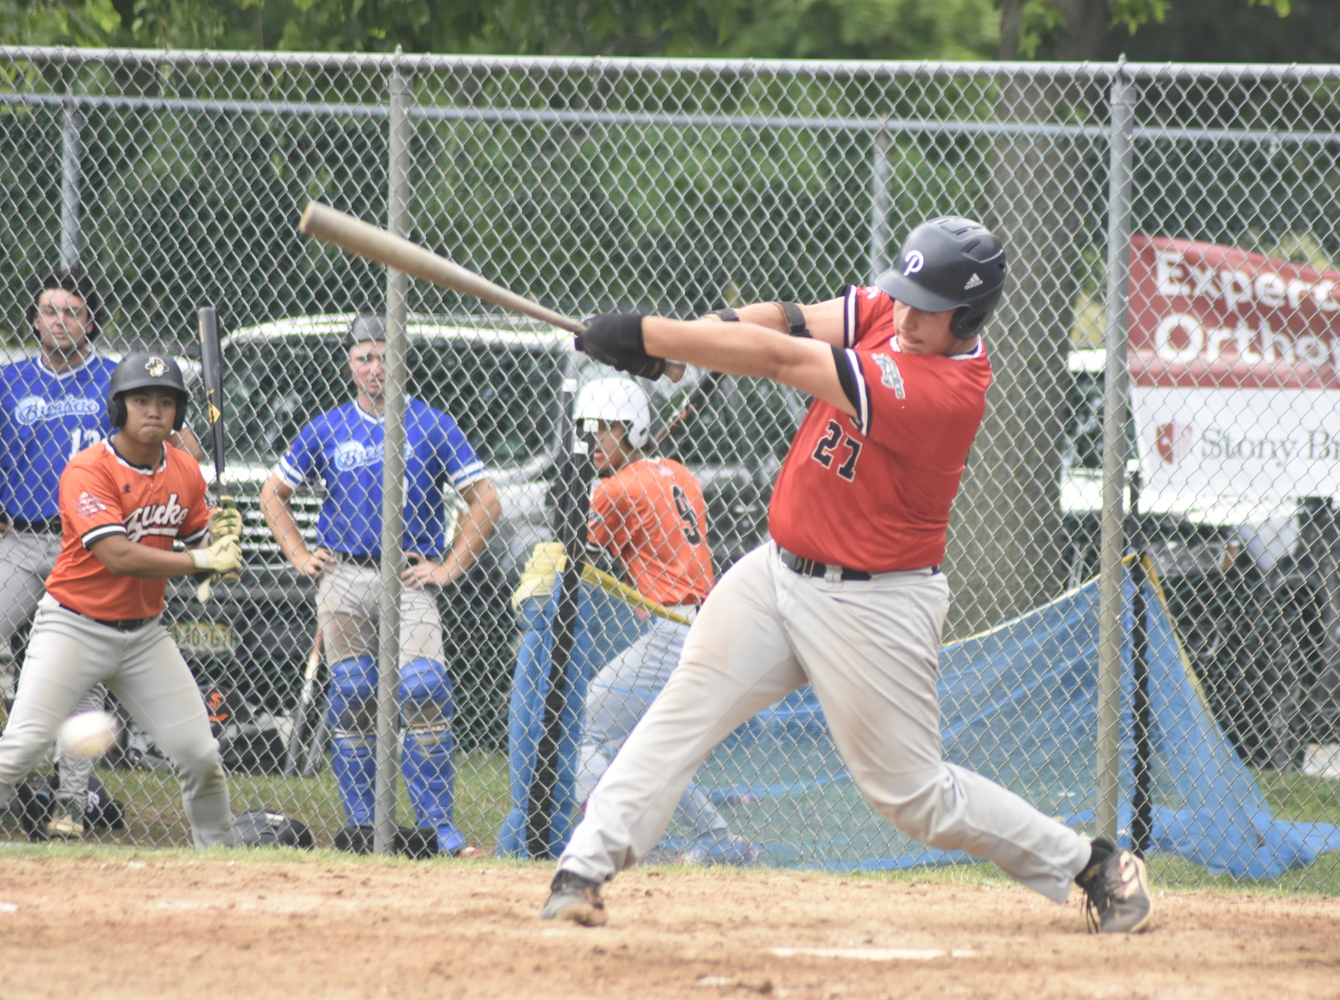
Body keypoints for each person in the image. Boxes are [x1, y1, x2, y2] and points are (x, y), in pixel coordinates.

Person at [541, 217, 1152, 933]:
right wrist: (685, 343)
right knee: (683, 707)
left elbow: (778, 358)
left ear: (970, 316)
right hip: (776, 576)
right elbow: (790, 320)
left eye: (928, 307)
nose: (906, 314)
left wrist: (651, 336)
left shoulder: (944, 392)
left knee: (916, 798)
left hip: (874, 605)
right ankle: (583, 868)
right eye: (904, 295)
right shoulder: (897, 316)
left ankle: (1091, 865)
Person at [260, 313, 503, 857]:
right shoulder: (326, 428)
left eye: (384, 355)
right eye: (364, 357)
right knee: (353, 696)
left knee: (422, 689)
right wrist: (299, 554)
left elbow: (486, 500)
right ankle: (366, 828)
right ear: (349, 363)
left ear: (402, 360)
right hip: (343, 576)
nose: (375, 367)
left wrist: (449, 567)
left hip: (407, 576)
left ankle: (439, 828)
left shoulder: (432, 424)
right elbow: (272, 494)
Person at [0, 352, 243, 847]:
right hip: (73, 627)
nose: (154, 410)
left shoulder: (187, 472)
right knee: (20, 751)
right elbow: (118, 555)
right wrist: (201, 561)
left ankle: (223, 861)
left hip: (143, 637)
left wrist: (222, 544)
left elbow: (205, 552)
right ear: (118, 408)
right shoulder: (88, 469)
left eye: (166, 401)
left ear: (178, 412)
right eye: (141, 400)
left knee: (200, 755)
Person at [572, 376, 755, 865]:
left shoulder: (614, 489)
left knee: (586, 724)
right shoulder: (679, 472)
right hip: (710, 624)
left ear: (634, 431)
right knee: (647, 742)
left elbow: (584, 550)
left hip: (671, 629)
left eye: (608, 430)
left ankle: (596, 837)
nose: (595, 441)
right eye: (590, 430)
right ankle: (721, 842)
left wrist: (583, 502)